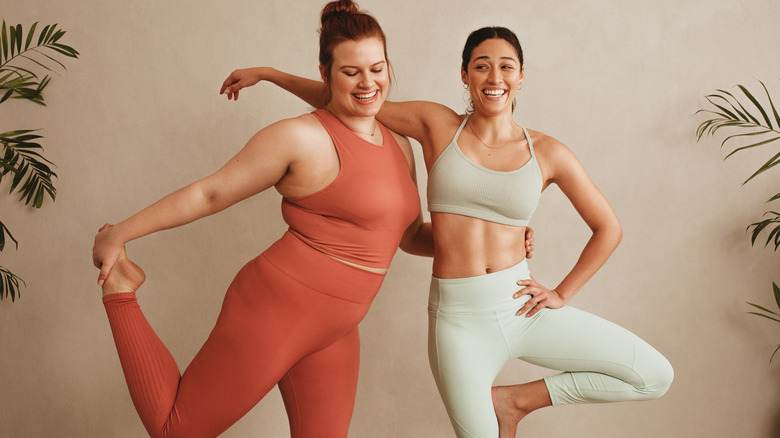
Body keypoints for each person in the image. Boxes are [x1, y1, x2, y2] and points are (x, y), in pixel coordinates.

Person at [221, 25, 674, 438]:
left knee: (654, 375)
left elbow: (607, 228)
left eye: (506, 66)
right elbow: (350, 99)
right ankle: (502, 407)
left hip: (520, 305)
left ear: (521, 76)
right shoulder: (437, 125)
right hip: (459, 322)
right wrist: (270, 74)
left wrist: (562, 292)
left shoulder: (550, 152)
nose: (494, 76)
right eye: (481, 66)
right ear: (465, 75)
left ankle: (513, 401)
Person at [92, 2, 433, 437]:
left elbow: (409, 236)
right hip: (279, 306)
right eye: (351, 72)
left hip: (338, 327)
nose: (368, 82)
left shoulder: (399, 144)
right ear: (326, 74)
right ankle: (122, 288)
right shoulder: (299, 137)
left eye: (378, 68)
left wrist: (502, 239)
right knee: (174, 430)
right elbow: (210, 193)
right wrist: (119, 234)